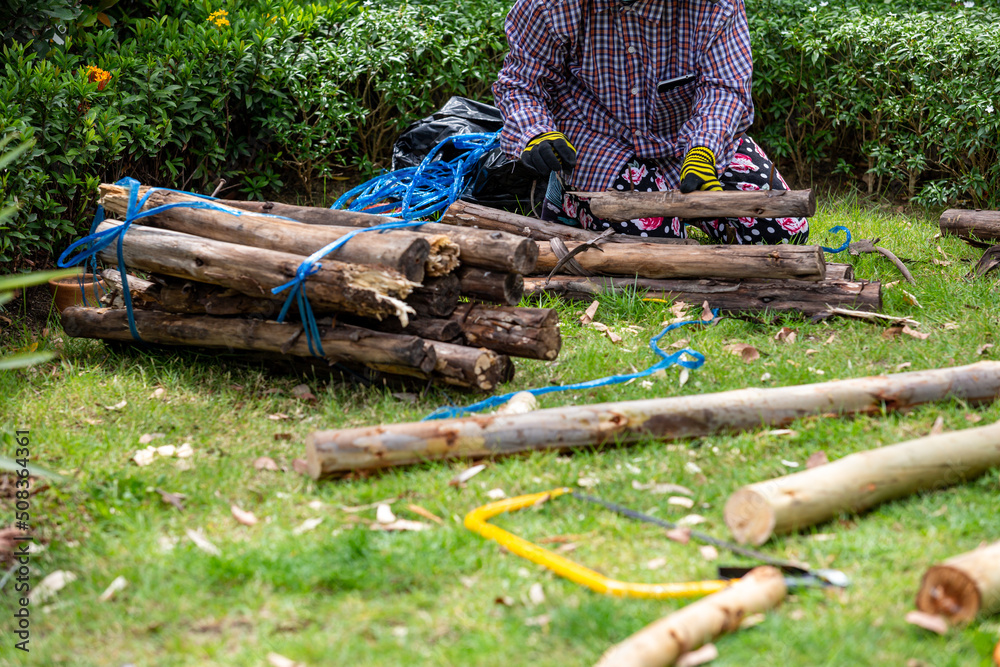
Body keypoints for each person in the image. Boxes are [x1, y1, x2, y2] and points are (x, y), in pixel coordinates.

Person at [492, 0, 808, 244]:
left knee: (781, 231)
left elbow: (724, 89)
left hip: (686, 137)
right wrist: (535, 132)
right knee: (656, 245)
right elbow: (521, 83)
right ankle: (568, 201)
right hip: (599, 138)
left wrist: (704, 153)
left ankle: (667, 193)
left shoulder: (714, 5)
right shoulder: (550, 6)